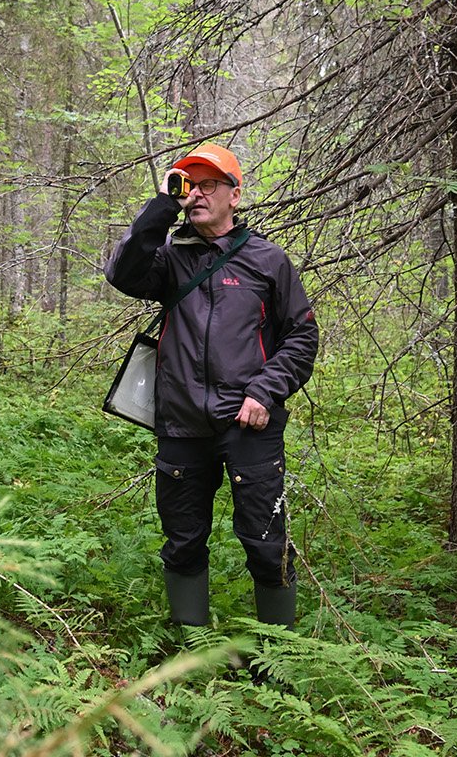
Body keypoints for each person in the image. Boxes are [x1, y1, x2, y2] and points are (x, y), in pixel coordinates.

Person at [105, 143, 319, 628]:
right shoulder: (169, 260)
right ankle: (193, 649)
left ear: (234, 196)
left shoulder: (268, 260)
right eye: (189, 184)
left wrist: (264, 391)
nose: (197, 194)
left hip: (249, 425)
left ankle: (281, 654)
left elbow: (302, 336)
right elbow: (123, 273)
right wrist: (164, 206)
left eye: (208, 185)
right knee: (182, 542)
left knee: (266, 542)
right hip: (181, 425)